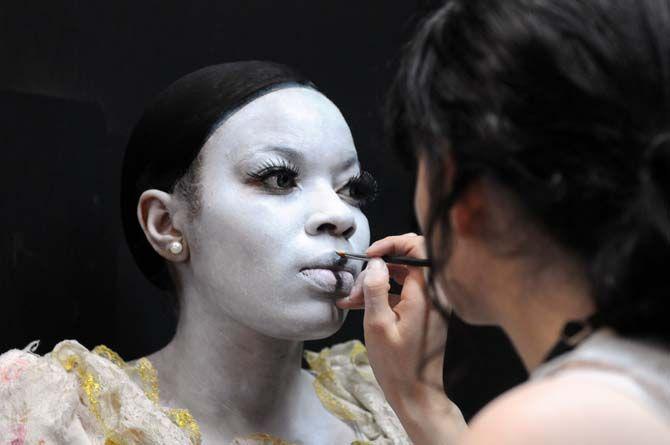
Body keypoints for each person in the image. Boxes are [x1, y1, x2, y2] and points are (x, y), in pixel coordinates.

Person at [0, 61, 410, 444]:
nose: (340, 216)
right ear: (166, 224)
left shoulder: (388, 407)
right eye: (280, 178)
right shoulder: (64, 418)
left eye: (353, 190)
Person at [337, 0, 670, 443]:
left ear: (466, 196)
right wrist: (419, 399)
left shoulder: (556, 423)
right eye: (281, 180)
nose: (334, 217)